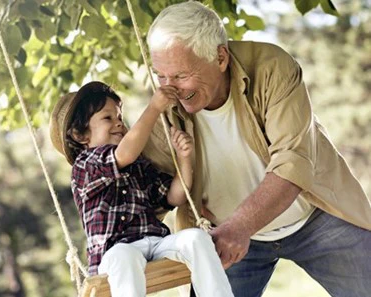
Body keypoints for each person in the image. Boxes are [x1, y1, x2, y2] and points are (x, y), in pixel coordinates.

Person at [142, 2, 371, 296]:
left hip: (313, 217)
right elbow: (147, 186)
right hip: (224, 235)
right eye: (160, 75)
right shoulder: (165, 104)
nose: (168, 88)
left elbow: (293, 161)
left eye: (181, 75)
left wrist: (240, 226)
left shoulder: (272, 67)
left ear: (220, 57)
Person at [49, 81, 234, 297]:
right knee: (124, 256)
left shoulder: (139, 164)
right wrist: (155, 107)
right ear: (81, 136)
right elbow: (124, 154)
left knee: (196, 239)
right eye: (108, 118)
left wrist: (184, 159)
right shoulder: (86, 165)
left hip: (156, 243)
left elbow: (174, 196)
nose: (119, 123)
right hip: (115, 251)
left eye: (120, 117)